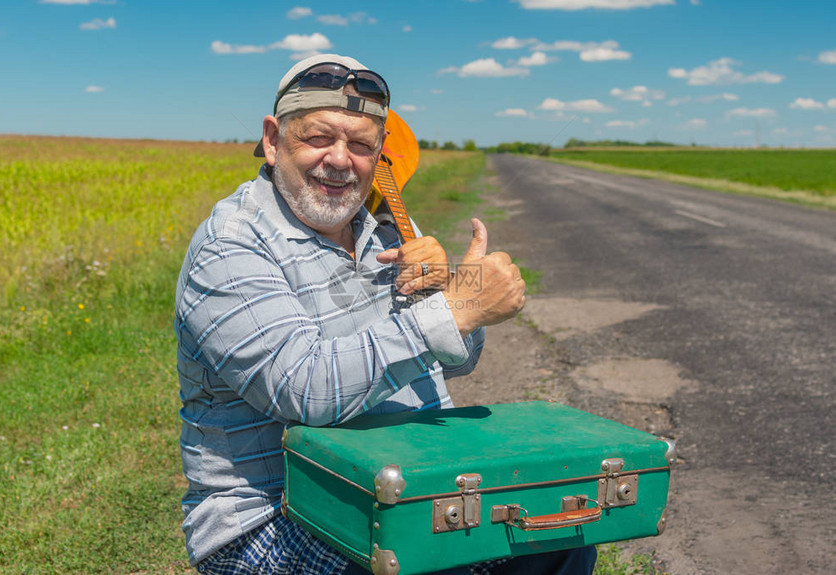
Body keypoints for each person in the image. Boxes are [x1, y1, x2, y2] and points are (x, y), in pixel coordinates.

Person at [175, 54, 595, 575]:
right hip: (276, 512)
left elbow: (456, 360)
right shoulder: (231, 245)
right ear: (272, 139)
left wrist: (454, 295)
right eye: (317, 138)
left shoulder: (387, 224)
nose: (339, 159)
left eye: (360, 145)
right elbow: (306, 389)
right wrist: (456, 308)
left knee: (558, 540)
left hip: (404, 483)